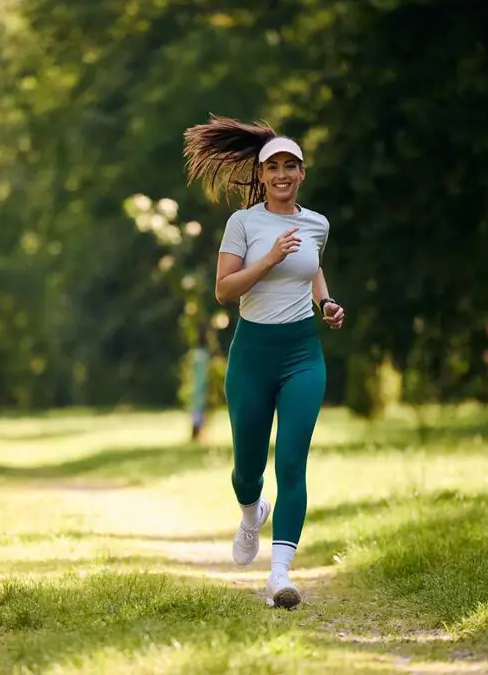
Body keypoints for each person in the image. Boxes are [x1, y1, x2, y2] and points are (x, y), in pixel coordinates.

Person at [182, 115, 345, 609]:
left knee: (293, 461)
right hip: (252, 356)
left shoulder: (317, 223)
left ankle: (279, 575)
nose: (281, 174)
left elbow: (312, 267)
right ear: (262, 173)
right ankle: (251, 512)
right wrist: (269, 259)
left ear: (301, 173)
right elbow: (223, 291)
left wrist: (327, 303)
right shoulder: (244, 223)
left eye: (290, 166)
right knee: (247, 469)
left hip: (301, 355)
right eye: (272, 166)